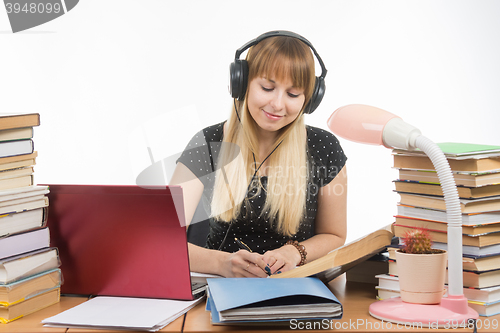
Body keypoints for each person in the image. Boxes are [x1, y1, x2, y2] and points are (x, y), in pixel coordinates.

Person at [170, 31, 347, 278]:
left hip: (298, 289)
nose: (277, 104)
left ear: (310, 99)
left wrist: (294, 252)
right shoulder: (208, 143)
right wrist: (221, 263)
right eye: (267, 87)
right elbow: (162, 240)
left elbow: (334, 233)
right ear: (242, 83)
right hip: (221, 287)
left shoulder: (324, 147)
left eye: (293, 94)